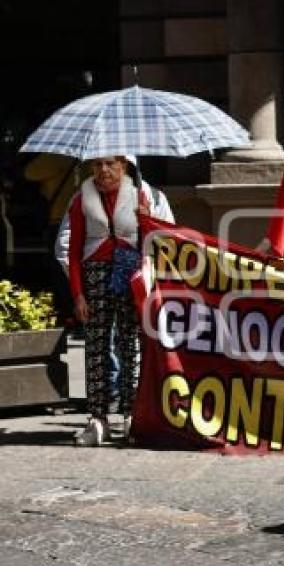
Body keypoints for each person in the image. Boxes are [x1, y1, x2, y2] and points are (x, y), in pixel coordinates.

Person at [57, 155, 170, 447]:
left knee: (129, 343)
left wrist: (147, 218)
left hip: (129, 268)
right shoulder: (82, 198)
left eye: (110, 164)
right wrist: (78, 293)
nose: (103, 171)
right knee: (95, 346)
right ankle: (97, 419)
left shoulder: (142, 193)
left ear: (124, 166)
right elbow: (74, 249)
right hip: (94, 272)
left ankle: (131, 414)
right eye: (97, 165)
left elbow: (159, 240)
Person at [23, 153, 78, 326]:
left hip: (59, 217)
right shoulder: (89, 160)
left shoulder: (58, 156)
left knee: (59, 267)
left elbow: (29, 172)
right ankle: (74, 312)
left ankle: (70, 312)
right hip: (80, 217)